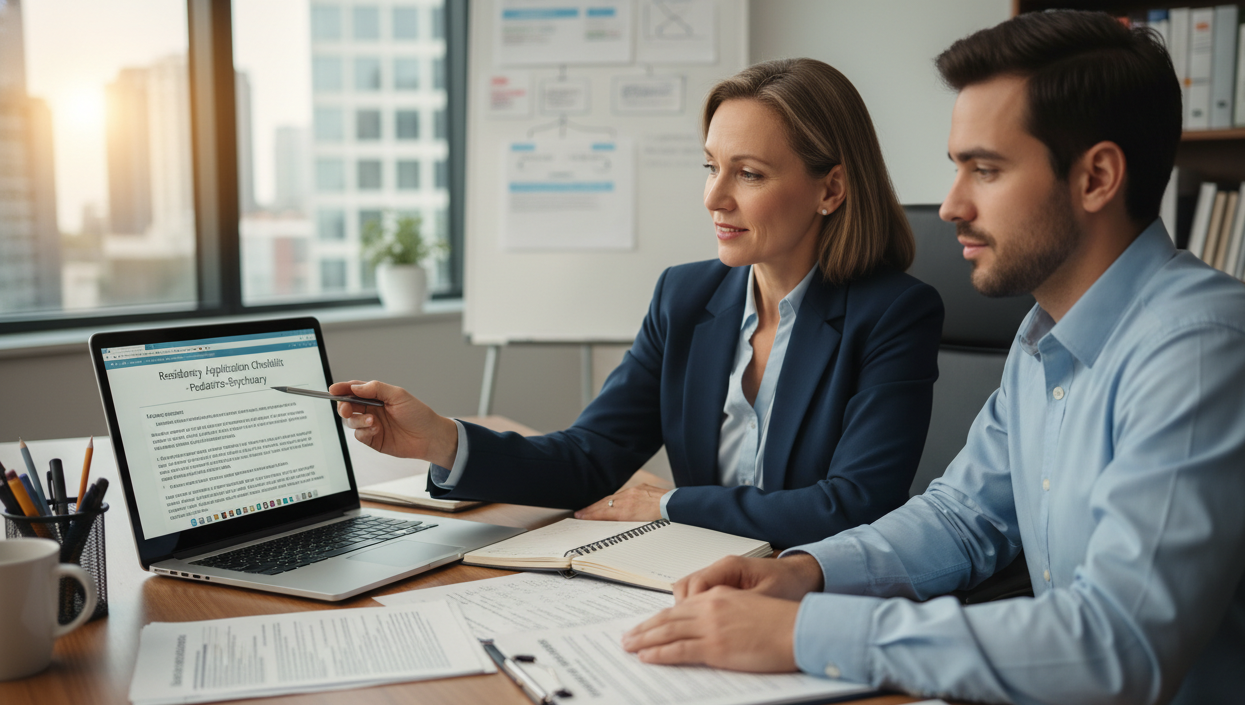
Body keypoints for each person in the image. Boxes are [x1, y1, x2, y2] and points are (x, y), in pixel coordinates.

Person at [621, 12, 1245, 705]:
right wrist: (803, 574)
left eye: (985, 169)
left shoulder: (1200, 353)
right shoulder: (1044, 335)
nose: (954, 204)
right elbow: (963, 518)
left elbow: (1119, 647)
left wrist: (804, 633)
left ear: (1096, 177)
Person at [333, 59, 943, 548]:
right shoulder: (687, 297)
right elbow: (589, 456)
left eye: (749, 174)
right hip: (696, 575)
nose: (715, 197)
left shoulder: (893, 313)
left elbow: (854, 506)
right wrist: (440, 439)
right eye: (711, 167)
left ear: (830, 188)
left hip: (819, 591)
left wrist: (669, 504)